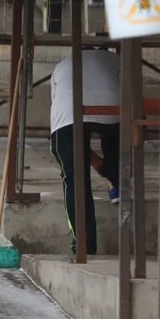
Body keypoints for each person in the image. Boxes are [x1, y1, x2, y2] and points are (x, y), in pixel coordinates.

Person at [48, 48, 121, 257]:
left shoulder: (61, 66)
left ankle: (84, 246)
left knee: (74, 179)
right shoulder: (115, 59)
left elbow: (60, 118)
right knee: (118, 140)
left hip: (67, 115)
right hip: (113, 108)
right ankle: (117, 180)